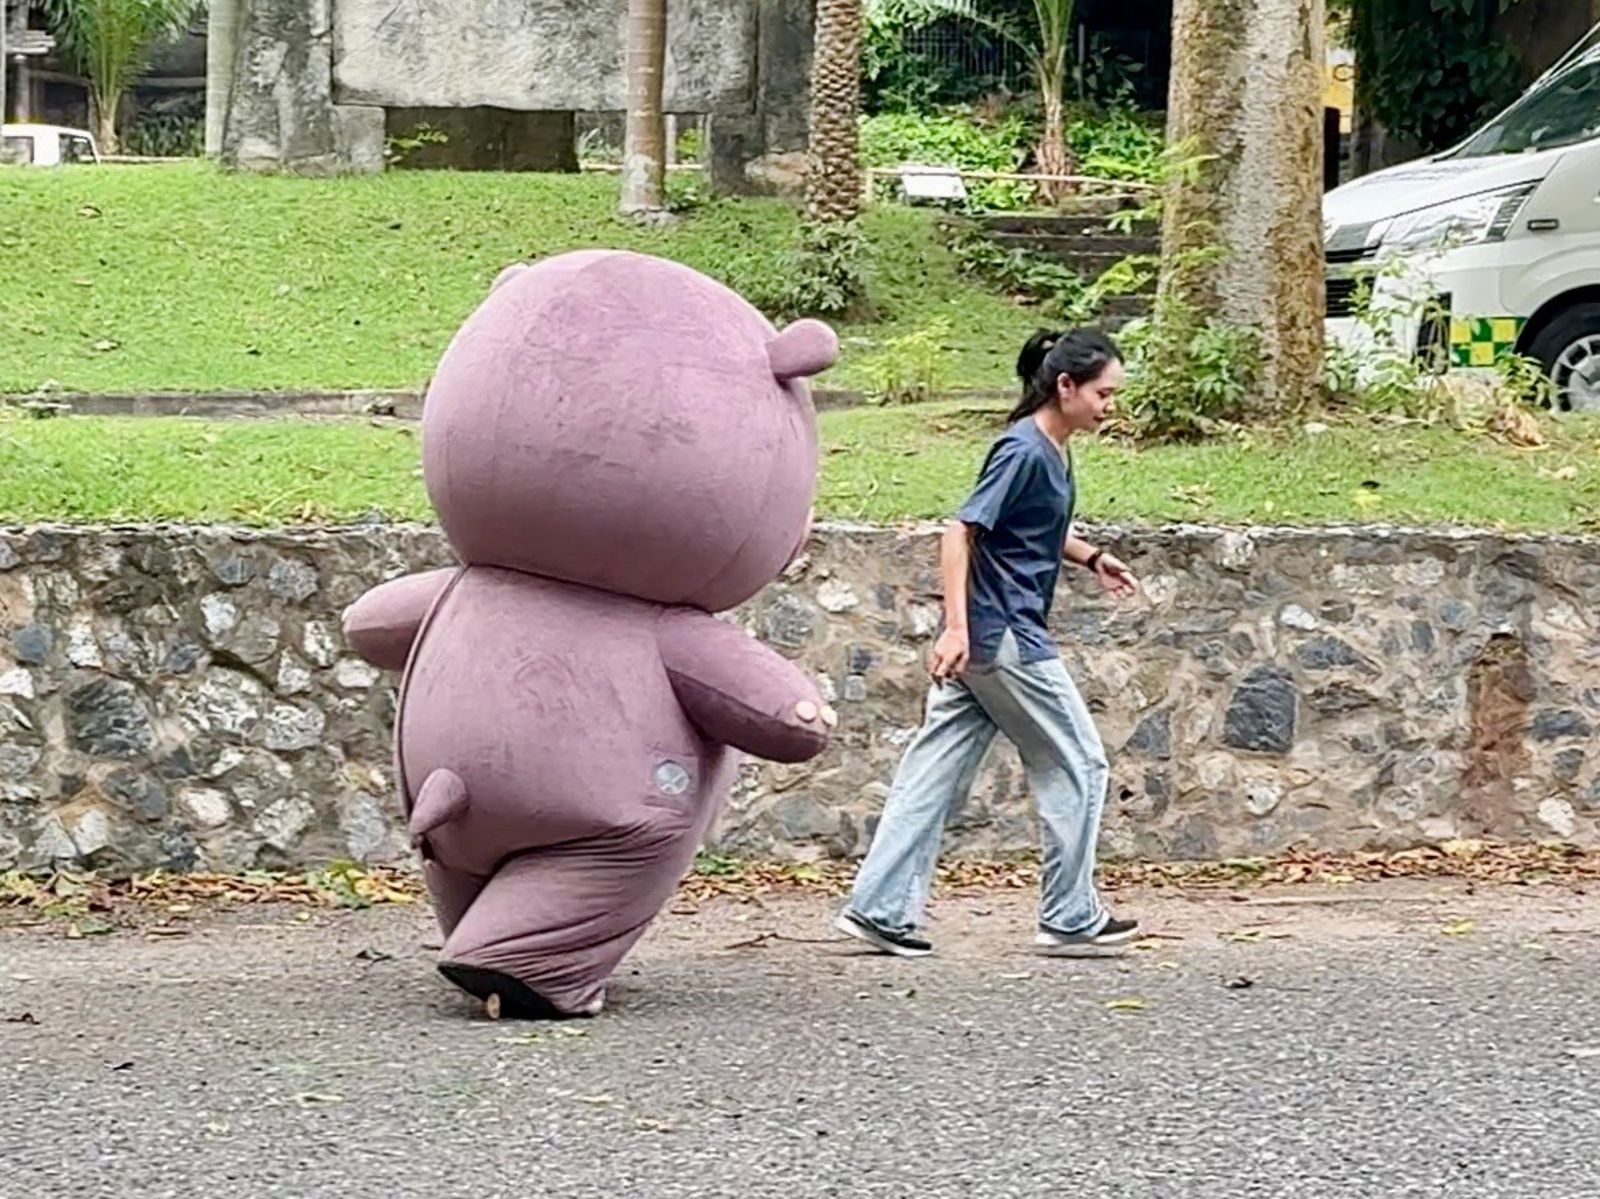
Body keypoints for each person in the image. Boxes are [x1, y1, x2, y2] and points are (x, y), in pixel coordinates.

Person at [834, 326, 1141, 959]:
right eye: (1104, 394)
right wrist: (957, 628)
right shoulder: (1023, 449)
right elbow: (961, 531)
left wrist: (1091, 557)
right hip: (1004, 639)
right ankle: (1069, 916)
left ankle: (879, 910)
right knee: (1081, 763)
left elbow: (1030, 527)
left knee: (934, 771)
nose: (1110, 406)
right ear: (1066, 386)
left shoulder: (1050, 448)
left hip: (990, 638)